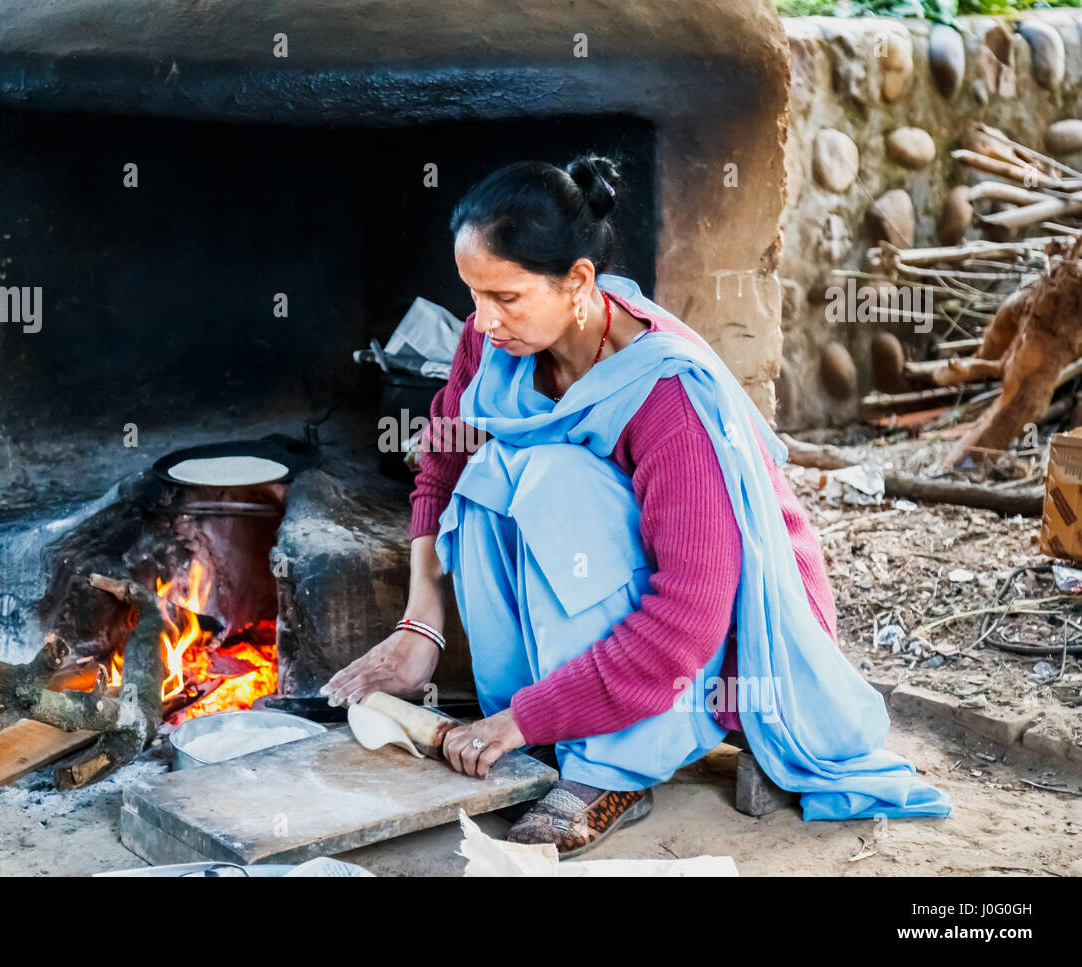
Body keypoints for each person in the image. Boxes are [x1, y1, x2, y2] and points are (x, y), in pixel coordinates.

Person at [323, 156, 950, 857]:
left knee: (550, 477)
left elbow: (688, 618)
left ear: (580, 282)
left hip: (720, 647)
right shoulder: (492, 343)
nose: (483, 321)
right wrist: (420, 629)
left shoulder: (665, 398)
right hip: (630, 615)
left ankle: (615, 761)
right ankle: (563, 719)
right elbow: (442, 462)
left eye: (505, 296)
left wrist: (518, 723)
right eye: (473, 295)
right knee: (492, 472)